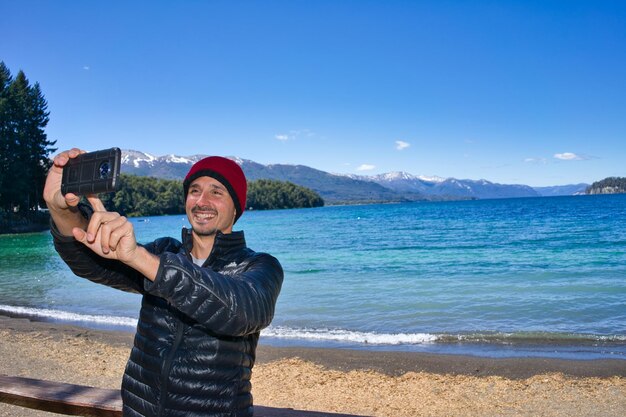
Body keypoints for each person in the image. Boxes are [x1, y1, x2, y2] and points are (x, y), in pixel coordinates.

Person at [43, 148, 284, 417]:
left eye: (217, 192)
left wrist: (140, 258)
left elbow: (242, 312)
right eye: (194, 190)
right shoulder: (164, 251)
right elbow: (90, 263)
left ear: (237, 206)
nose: (202, 201)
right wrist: (59, 209)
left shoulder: (260, 266)